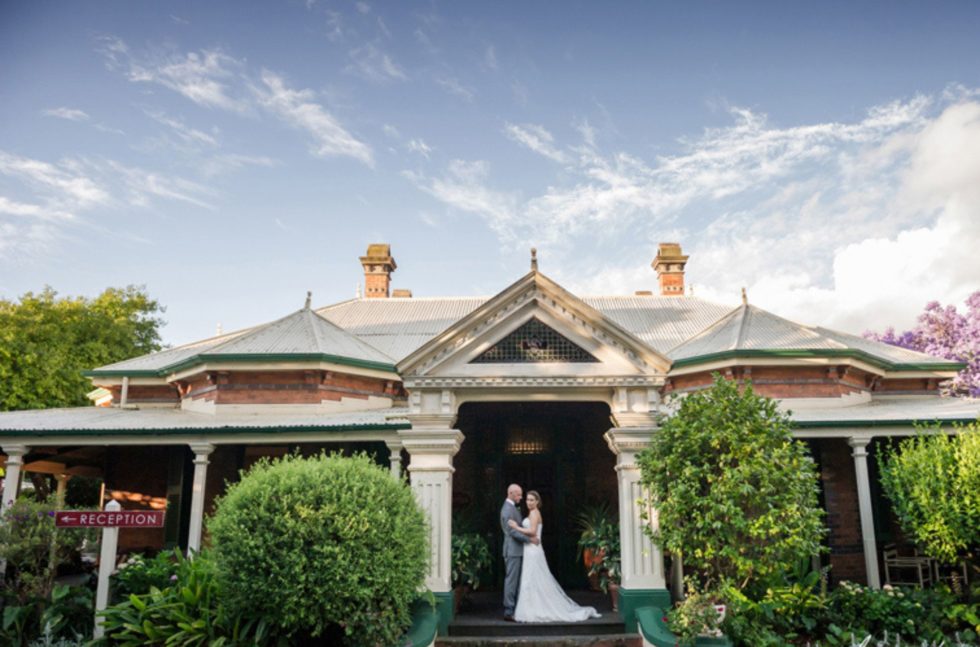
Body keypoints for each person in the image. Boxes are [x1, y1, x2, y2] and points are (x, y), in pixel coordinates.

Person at [508, 490, 601, 623]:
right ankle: (532, 608)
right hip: (530, 549)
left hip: (533, 550)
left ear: (537, 502)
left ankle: (535, 609)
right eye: (527, 500)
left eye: (532, 500)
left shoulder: (535, 513)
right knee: (531, 578)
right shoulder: (531, 513)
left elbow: (532, 531)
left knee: (532, 578)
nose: (529, 502)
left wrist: (516, 527)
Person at [500, 483, 538, 621]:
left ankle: (515, 608)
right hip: (513, 551)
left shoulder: (512, 508)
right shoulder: (507, 510)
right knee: (511, 581)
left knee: (517, 580)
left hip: (518, 550)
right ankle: (508, 610)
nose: (521, 497)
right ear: (511, 493)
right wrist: (529, 539)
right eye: (519, 494)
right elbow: (511, 531)